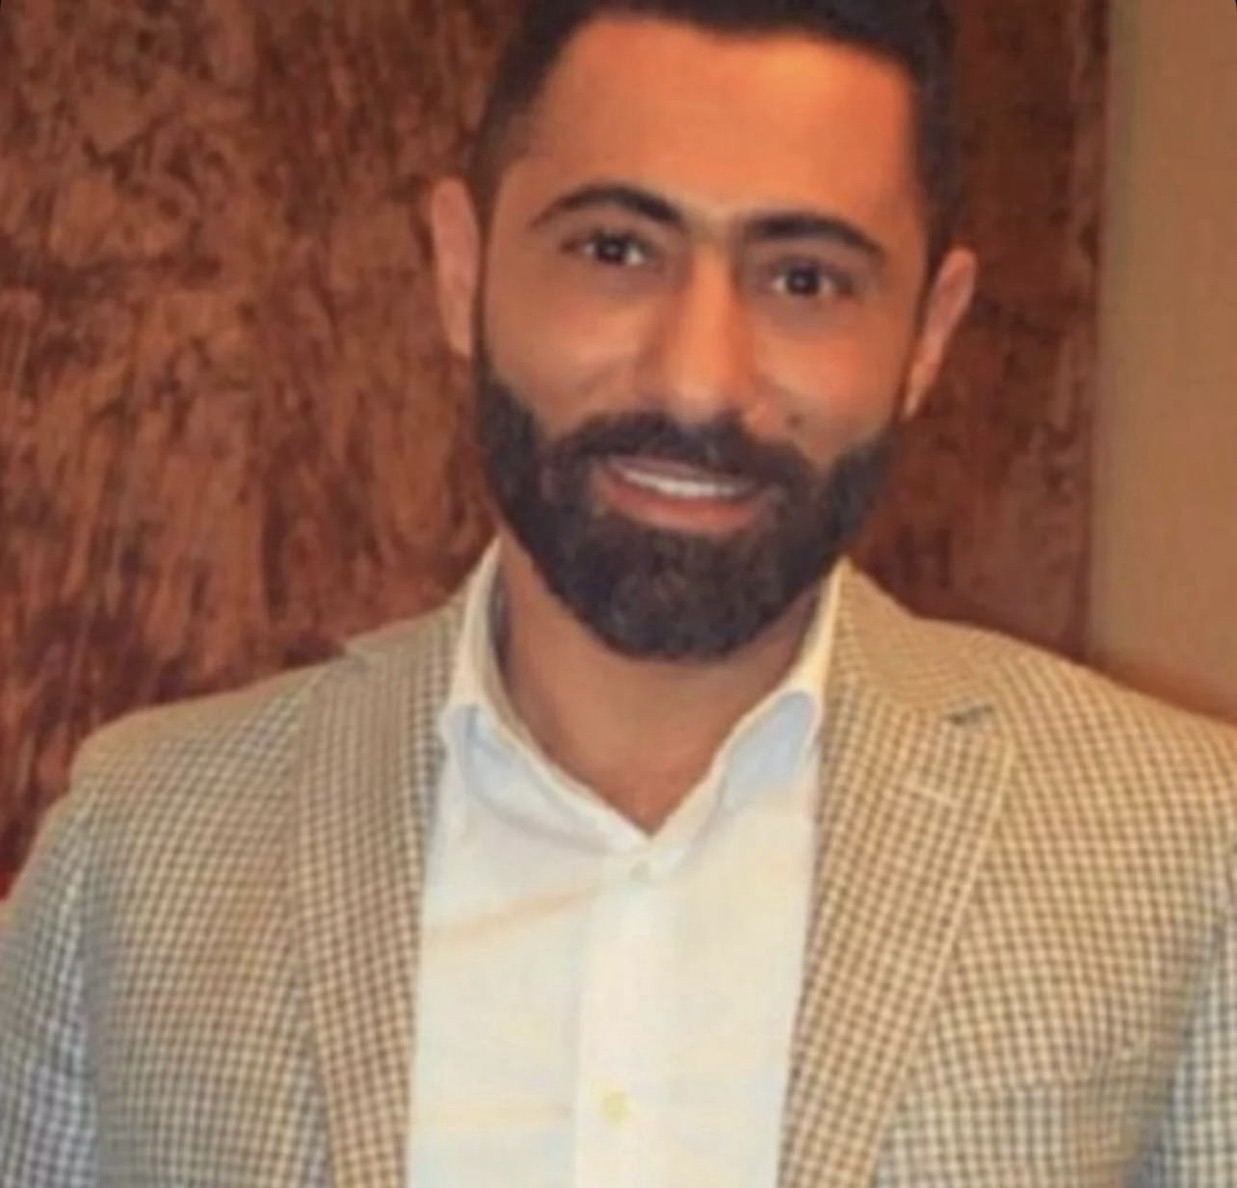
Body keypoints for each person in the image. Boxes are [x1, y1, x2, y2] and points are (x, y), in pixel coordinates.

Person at [2, 0, 1235, 1183]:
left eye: (804, 279)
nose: (699, 381)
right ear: (461, 270)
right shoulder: (143, 843)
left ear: (927, 333)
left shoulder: (1180, 848)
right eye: (615, 251)